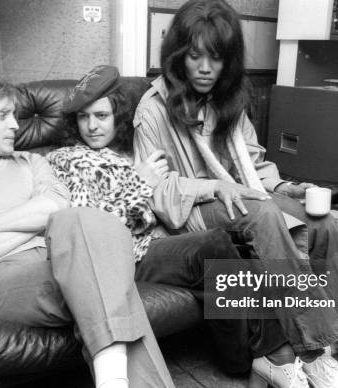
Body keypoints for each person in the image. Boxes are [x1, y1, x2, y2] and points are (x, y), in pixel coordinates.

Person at [133, 0, 338, 388]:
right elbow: (152, 190)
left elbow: (255, 165)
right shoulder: (152, 109)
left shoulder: (229, 101)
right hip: (188, 214)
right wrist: (214, 186)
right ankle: (314, 350)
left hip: (242, 200)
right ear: (178, 55)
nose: (206, 67)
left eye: (216, 57)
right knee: (266, 217)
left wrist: (289, 188)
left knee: (319, 218)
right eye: (195, 56)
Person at [0, 73, 182, 388]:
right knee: (107, 280)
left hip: (59, 255)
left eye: (15, 115)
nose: (16, 124)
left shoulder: (32, 163)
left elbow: (55, 210)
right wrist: (30, 225)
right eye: (4, 116)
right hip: (1, 275)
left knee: (87, 221)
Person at [47, 65, 247, 302]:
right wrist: (138, 183)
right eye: (83, 117)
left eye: (101, 116)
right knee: (212, 245)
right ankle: (271, 339)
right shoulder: (69, 160)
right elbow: (88, 231)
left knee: (236, 254)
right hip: (128, 254)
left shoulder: (136, 150)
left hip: (162, 237)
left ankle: (261, 335)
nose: (91, 126)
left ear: (118, 116)